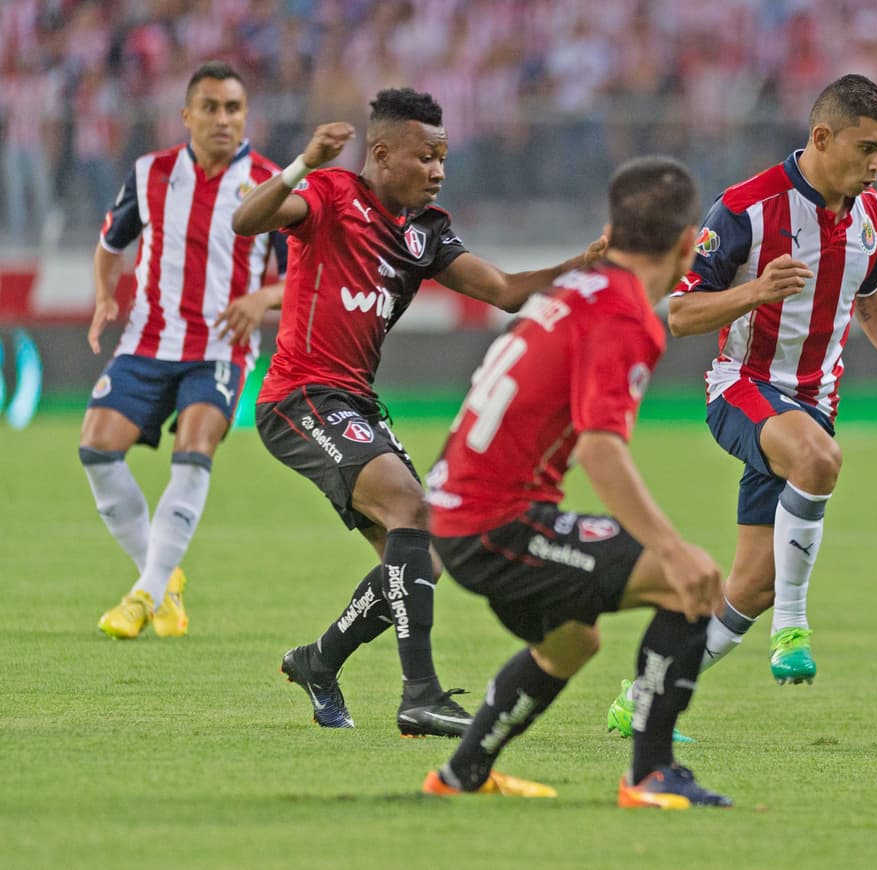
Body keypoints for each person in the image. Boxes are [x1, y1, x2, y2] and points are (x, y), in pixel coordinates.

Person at [232, 88, 607, 738]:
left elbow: (505, 291)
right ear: (381, 153)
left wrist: (581, 265)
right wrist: (302, 163)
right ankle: (420, 695)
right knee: (409, 507)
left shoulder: (425, 234)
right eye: (425, 157)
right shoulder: (330, 194)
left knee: (423, 558)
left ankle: (319, 661)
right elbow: (247, 220)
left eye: (443, 159)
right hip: (299, 396)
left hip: (353, 403)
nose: (437, 171)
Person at [606, 74, 877, 736]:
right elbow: (679, 312)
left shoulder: (872, 214)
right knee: (820, 460)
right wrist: (755, 292)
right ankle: (793, 626)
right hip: (743, 388)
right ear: (822, 137)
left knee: (751, 588)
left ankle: (645, 696)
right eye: (867, 148)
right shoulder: (745, 209)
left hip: (813, 404)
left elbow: (868, 296)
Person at [421, 156, 731, 808]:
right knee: (690, 582)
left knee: (571, 640)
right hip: (495, 522)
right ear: (686, 245)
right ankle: (650, 774)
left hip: (452, 510)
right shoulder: (624, 313)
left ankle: (461, 775)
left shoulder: (576, 288)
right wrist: (671, 549)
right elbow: (599, 448)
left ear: (610, 232)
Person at [84, 61, 287, 640]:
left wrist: (263, 297)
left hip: (221, 347)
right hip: (148, 339)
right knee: (97, 449)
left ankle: (143, 595)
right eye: (211, 107)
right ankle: (163, 577)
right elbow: (110, 243)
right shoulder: (150, 173)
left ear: (245, 116)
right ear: (187, 115)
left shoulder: (271, 185)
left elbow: (303, 276)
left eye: (233, 108)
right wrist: (104, 294)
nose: (223, 119)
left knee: (194, 450)